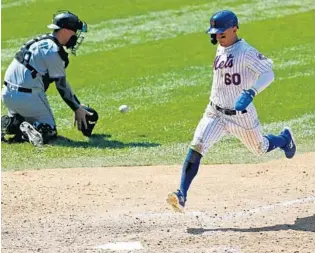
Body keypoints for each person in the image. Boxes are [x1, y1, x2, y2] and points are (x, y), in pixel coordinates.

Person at [166, 10, 296, 213]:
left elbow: (268, 73)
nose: (218, 36)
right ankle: (181, 194)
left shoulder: (245, 51)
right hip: (214, 113)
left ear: (234, 28)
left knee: (260, 148)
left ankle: (284, 139)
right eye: (215, 33)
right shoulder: (220, 48)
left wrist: (251, 92)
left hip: (241, 117)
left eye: (221, 32)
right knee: (197, 146)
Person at [1, 10, 98, 146]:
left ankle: (10, 124)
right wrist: (76, 108)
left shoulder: (41, 41)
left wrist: (76, 105)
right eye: (74, 31)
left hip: (6, 94)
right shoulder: (54, 51)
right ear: (64, 31)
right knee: (49, 131)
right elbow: (61, 86)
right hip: (28, 97)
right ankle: (27, 132)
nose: (76, 36)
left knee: (23, 119)